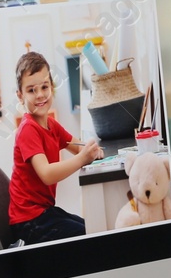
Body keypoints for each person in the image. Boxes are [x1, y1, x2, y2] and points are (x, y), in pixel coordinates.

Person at [6, 51, 102, 246]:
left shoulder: (51, 125)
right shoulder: (27, 130)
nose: (40, 94)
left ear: (52, 88)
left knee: (95, 226)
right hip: (28, 221)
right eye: (31, 90)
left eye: (44, 86)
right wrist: (83, 158)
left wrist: (92, 150)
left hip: (44, 212)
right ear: (20, 95)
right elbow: (47, 174)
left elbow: (77, 146)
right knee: (89, 234)